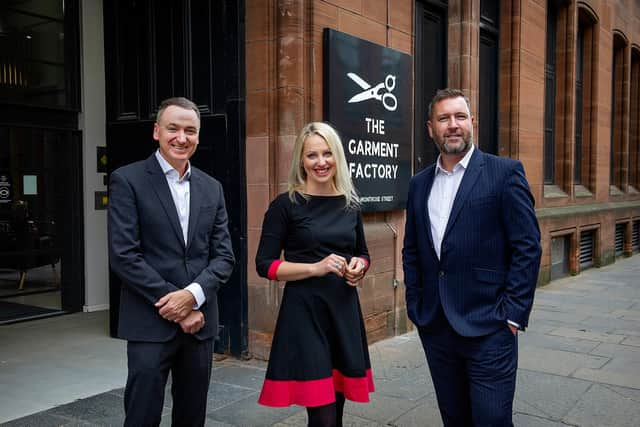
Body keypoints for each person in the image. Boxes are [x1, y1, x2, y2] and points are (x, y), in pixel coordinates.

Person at [402, 88, 542, 426]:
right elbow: (412, 250)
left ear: (472, 123)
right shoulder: (419, 184)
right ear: (430, 128)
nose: (453, 125)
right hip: (436, 324)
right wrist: (416, 305)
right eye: (444, 118)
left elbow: (528, 246)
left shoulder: (504, 173)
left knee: (491, 419)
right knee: (454, 418)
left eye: (460, 116)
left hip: (490, 325)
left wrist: (512, 316)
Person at [108, 96, 235, 427]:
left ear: (198, 135)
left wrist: (192, 297)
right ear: (156, 131)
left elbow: (224, 257)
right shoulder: (127, 180)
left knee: (192, 416)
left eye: (190, 130)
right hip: (149, 321)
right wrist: (175, 304)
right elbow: (124, 255)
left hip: (200, 324)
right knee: (141, 415)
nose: (182, 137)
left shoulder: (212, 188)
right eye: (173, 128)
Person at [255, 122, 374, 427]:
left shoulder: (351, 204)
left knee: (338, 409)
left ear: (337, 157)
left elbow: (362, 252)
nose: (321, 162)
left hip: (343, 313)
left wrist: (359, 267)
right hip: (304, 315)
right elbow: (264, 264)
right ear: (301, 161)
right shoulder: (286, 205)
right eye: (312, 155)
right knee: (323, 416)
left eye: (327, 153)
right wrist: (315, 267)